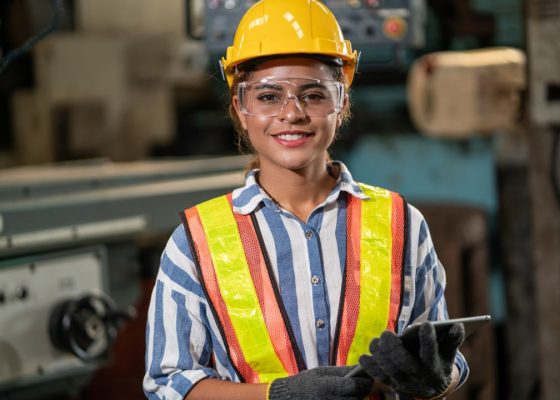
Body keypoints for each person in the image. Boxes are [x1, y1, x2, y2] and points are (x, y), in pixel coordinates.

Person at [143, 0, 469, 399]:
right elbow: (169, 385)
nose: (292, 113)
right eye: (267, 96)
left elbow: (442, 359)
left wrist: (437, 379)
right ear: (240, 108)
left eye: (313, 95)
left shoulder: (402, 224)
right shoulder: (195, 243)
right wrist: (276, 395)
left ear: (342, 102)